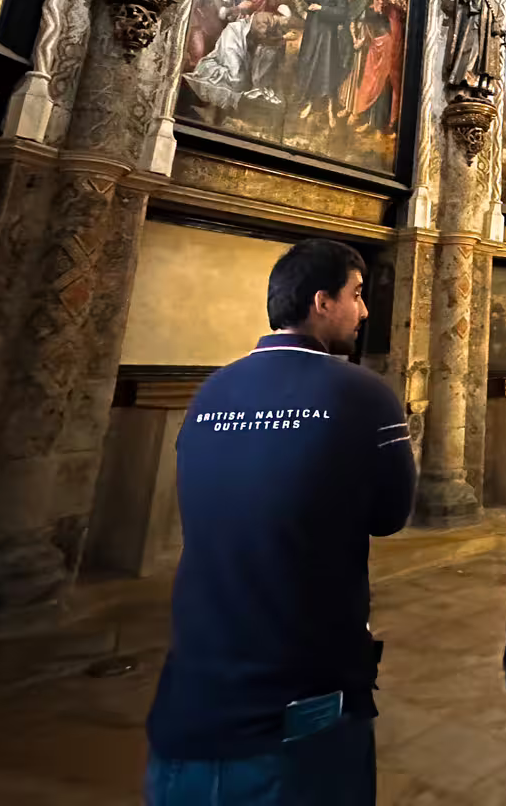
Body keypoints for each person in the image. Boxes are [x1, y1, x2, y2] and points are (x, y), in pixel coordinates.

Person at [145, 239, 416, 806]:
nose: (365, 312)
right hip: (302, 691)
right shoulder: (365, 395)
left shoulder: (211, 392)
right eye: (357, 295)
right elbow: (390, 516)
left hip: (192, 692)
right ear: (322, 301)